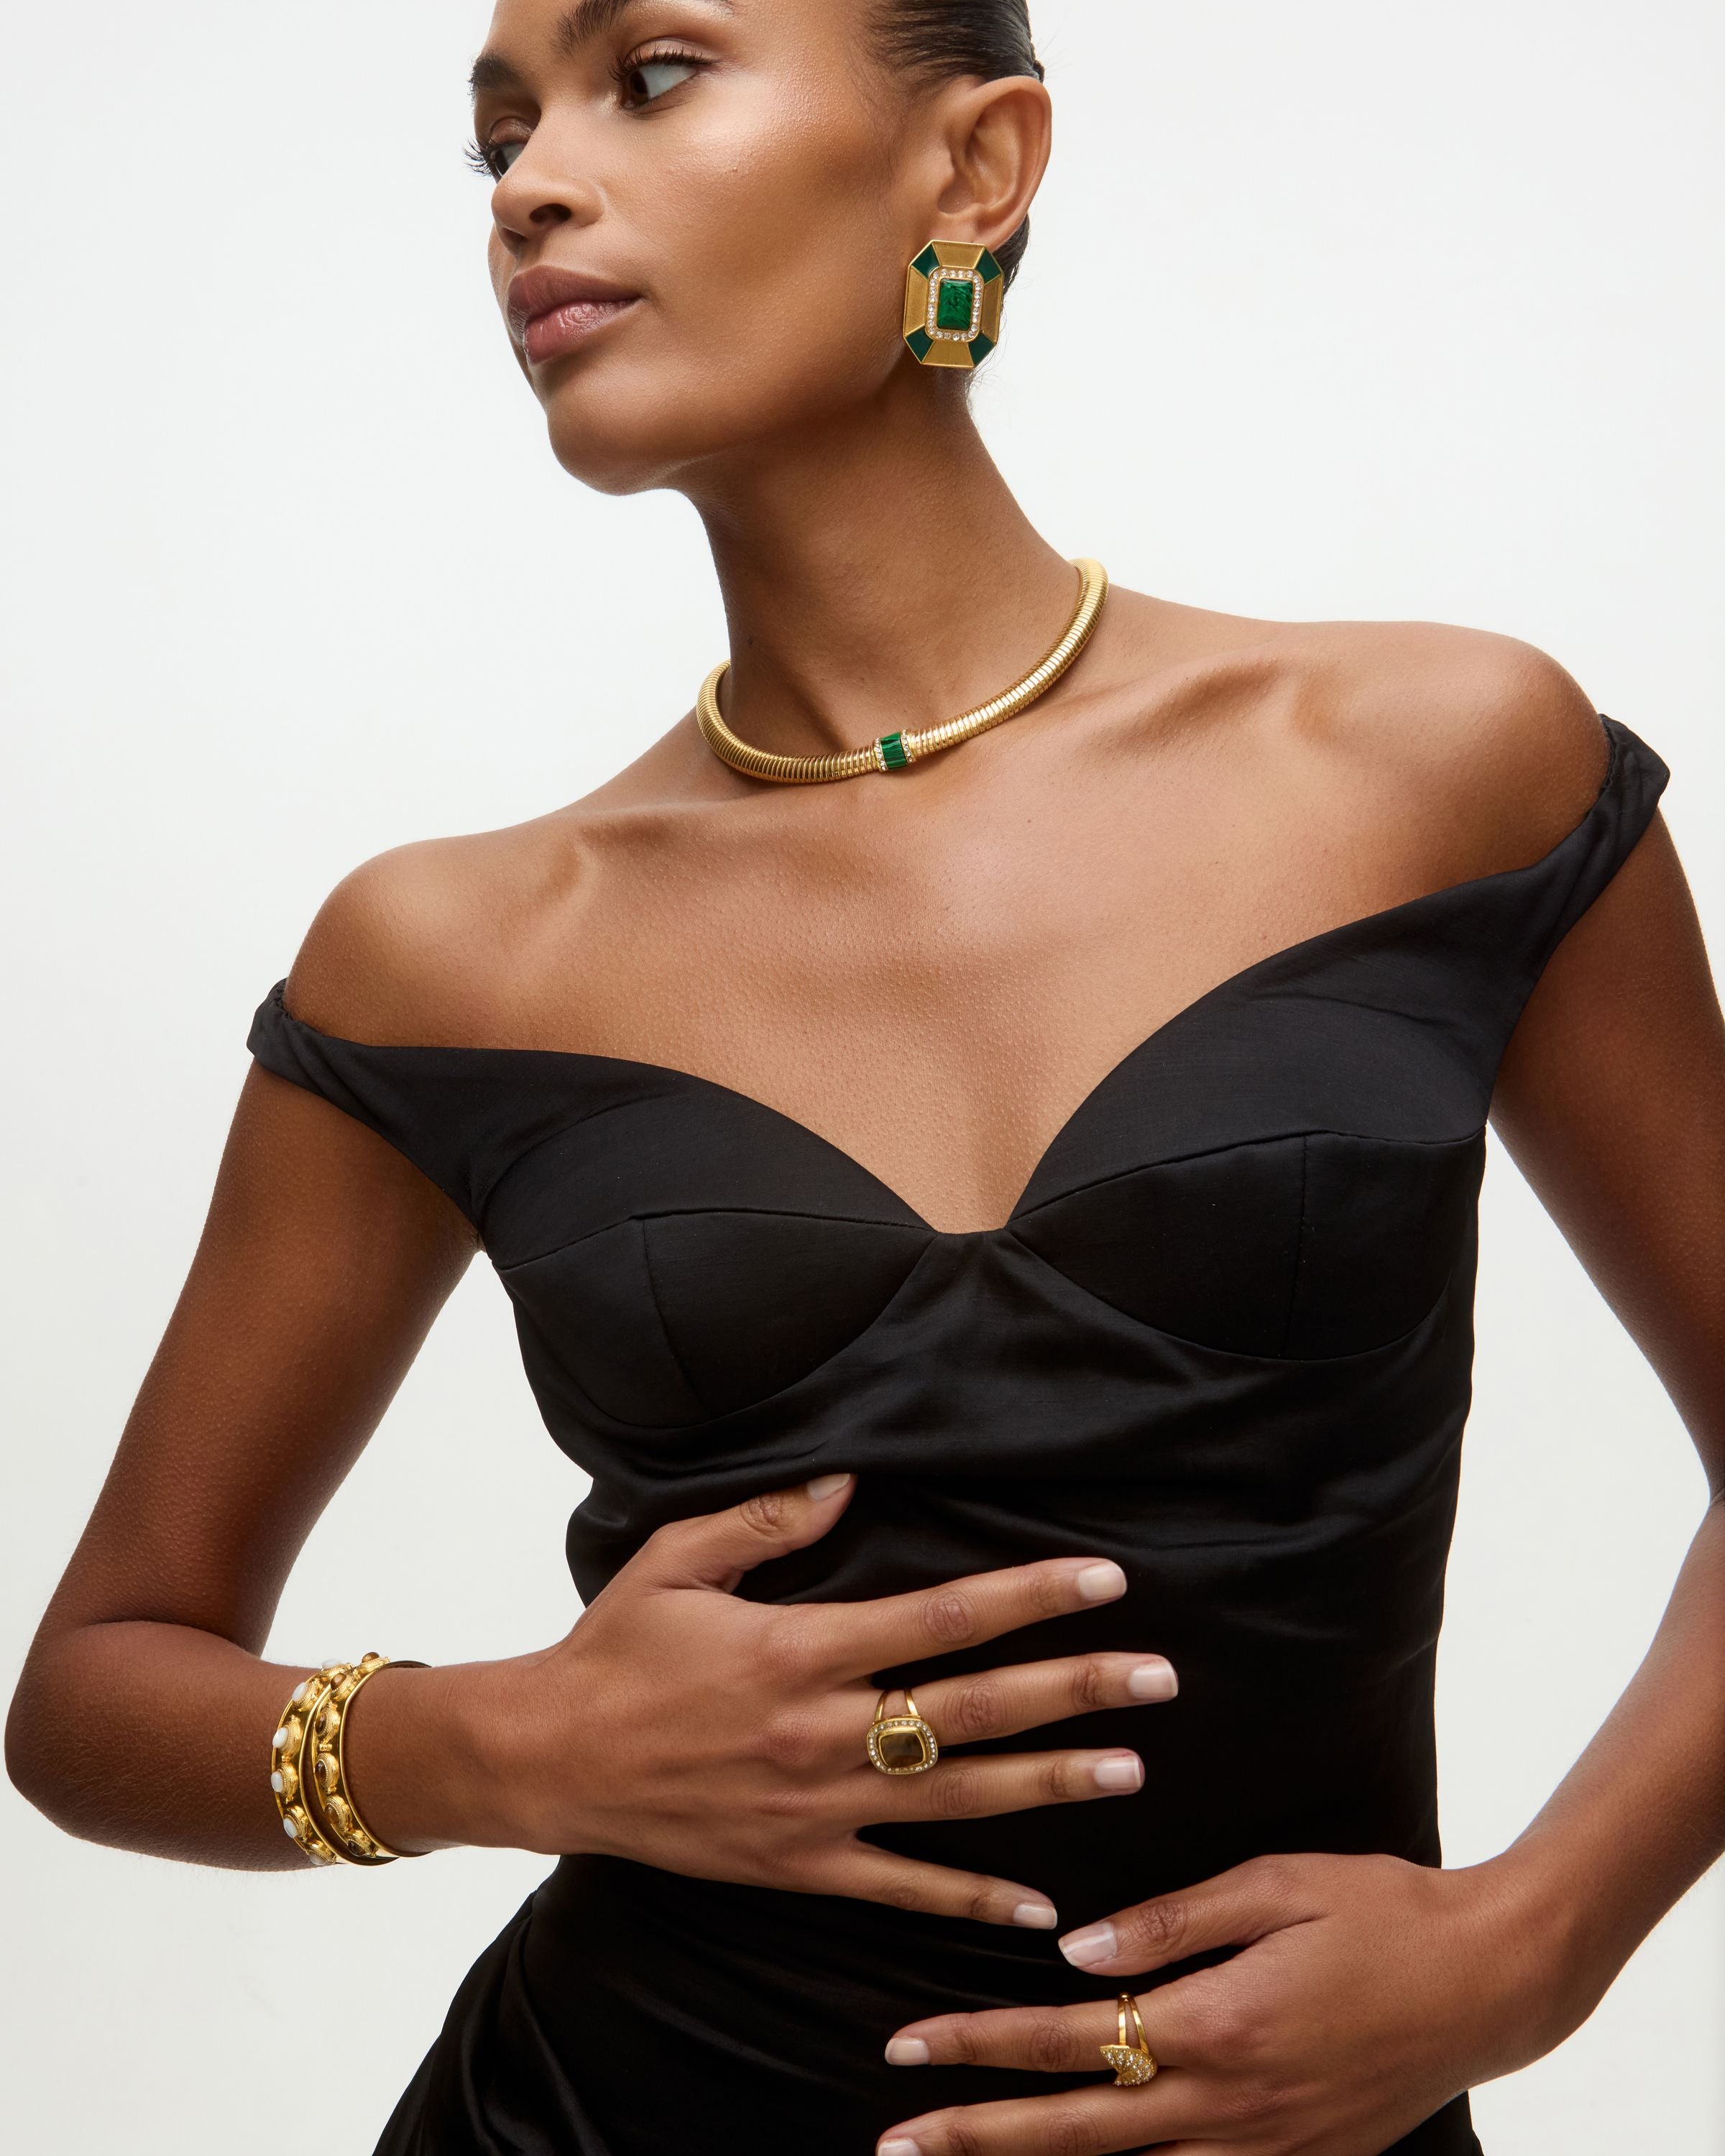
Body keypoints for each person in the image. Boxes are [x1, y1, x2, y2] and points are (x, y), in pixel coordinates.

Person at [7, 3, 1724, 2152]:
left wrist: (1537, 1945)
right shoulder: (448, 948)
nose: (532, 178)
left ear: (976, 168)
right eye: (496, 135)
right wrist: (496, 1747)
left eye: (650, 74)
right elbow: (93, 1688)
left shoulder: (1439, 768)